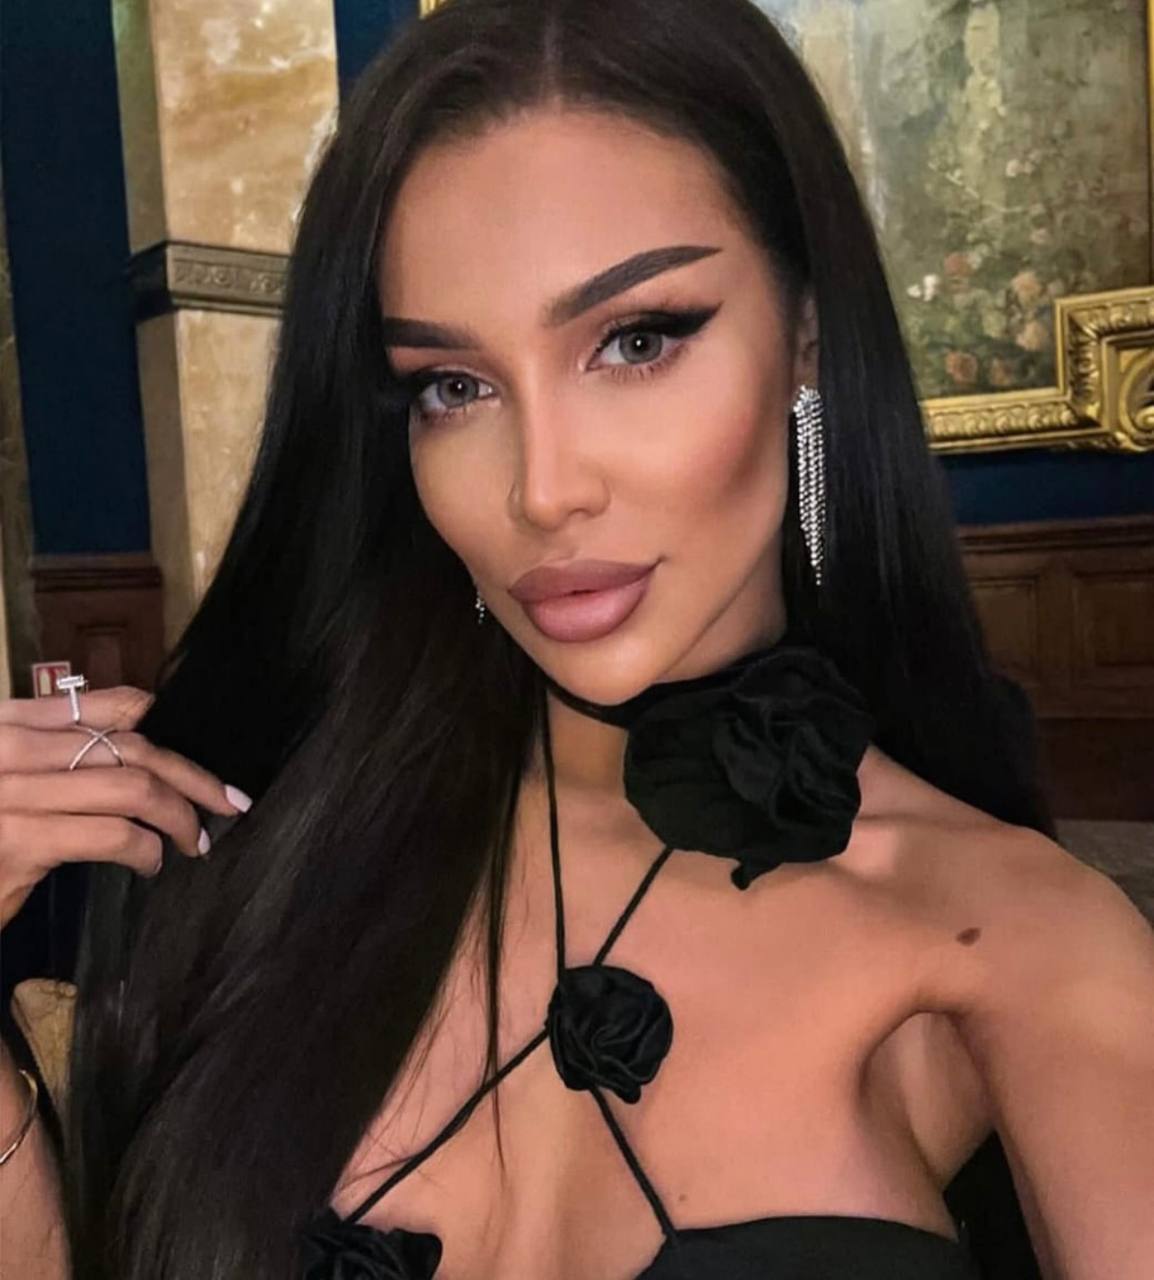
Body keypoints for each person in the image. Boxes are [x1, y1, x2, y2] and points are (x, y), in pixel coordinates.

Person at [2, 0, 1152, 1276]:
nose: (541, 490)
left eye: (636, 340)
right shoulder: (275, 836)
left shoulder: (1018, 939)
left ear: (806, 341)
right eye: (454, 386)